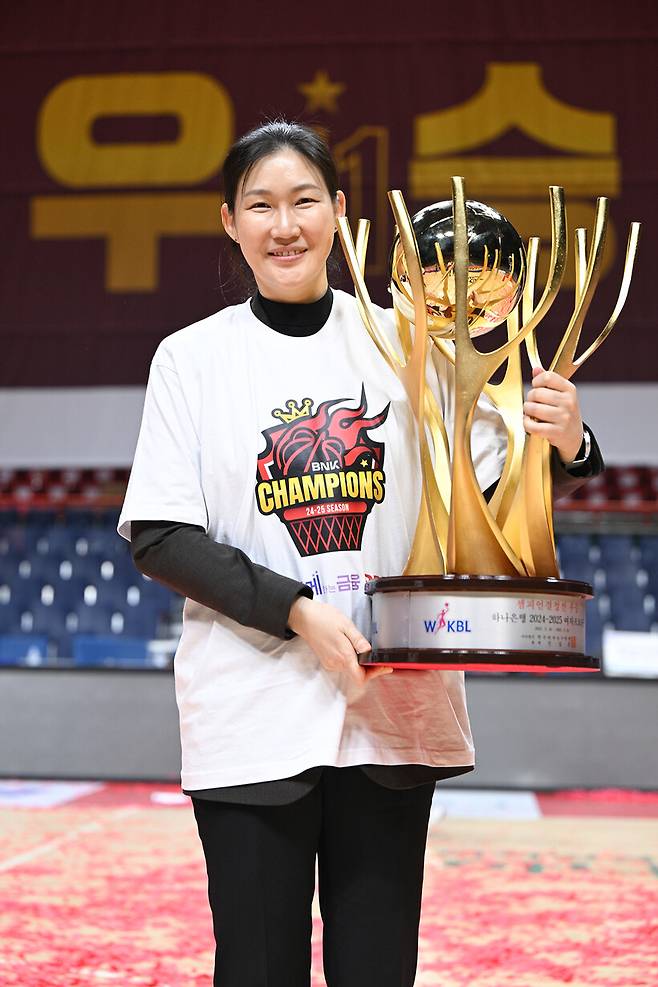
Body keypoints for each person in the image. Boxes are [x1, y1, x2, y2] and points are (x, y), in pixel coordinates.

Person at [117, 120, 603, 987]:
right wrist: (297, 610)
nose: (285, 225)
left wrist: (567, 442)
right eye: (261, 205)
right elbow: (161, 535)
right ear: (229, 220)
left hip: (391, 715)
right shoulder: (191, 360)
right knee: (257, 969)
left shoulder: (409, 344)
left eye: (305, 200)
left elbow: (489, 497)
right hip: (251, 712)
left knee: (377, 970)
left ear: (340, 212)